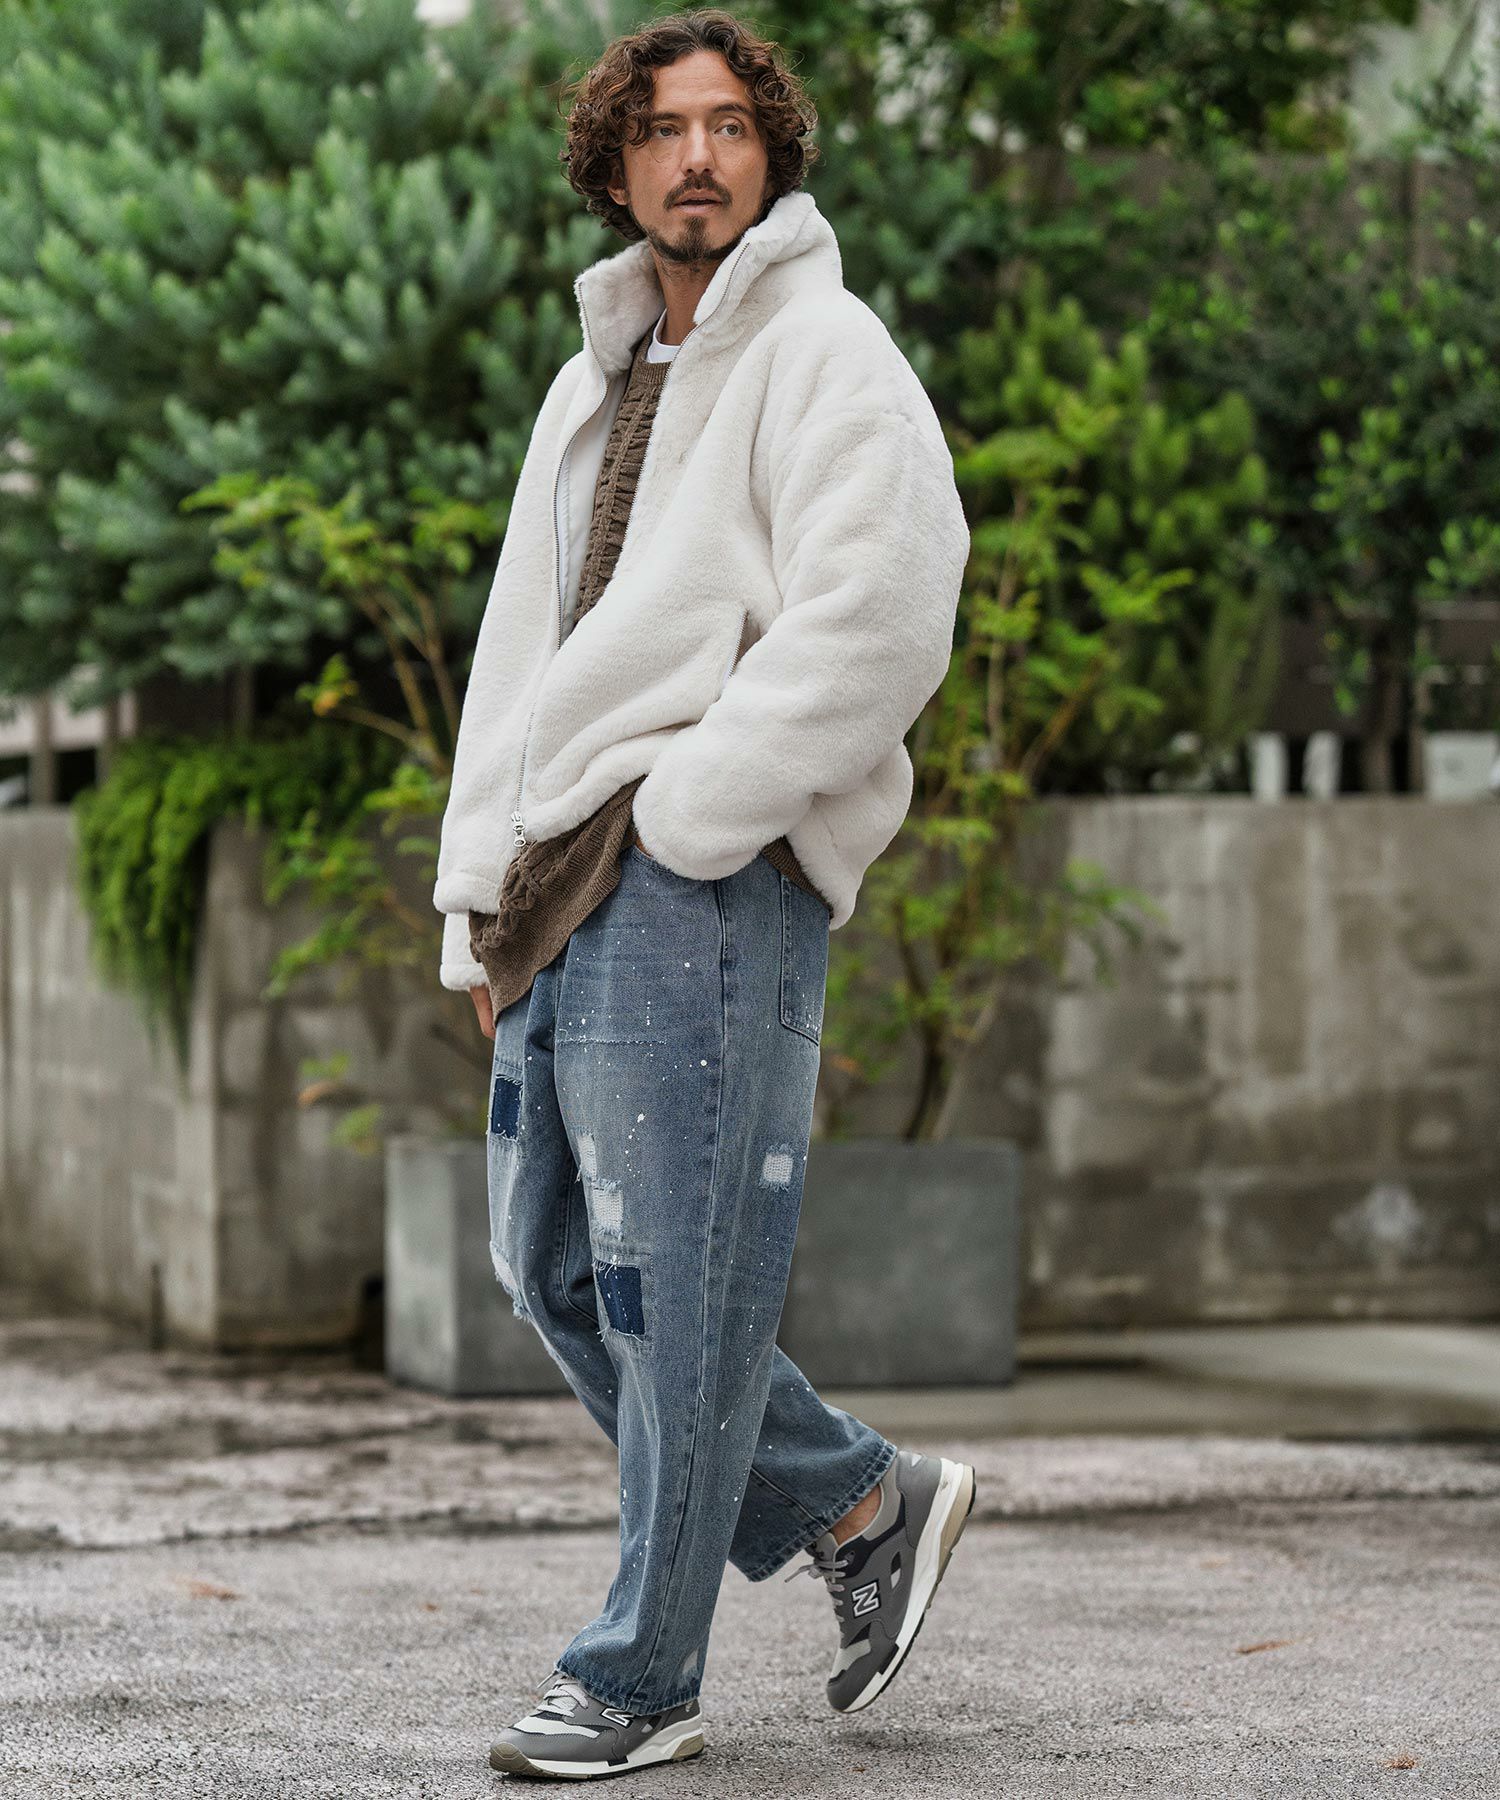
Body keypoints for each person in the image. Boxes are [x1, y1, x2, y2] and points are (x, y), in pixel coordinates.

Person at [433, 8, 974, 1781]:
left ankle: (640, 1675)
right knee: (548, 1267)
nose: (697, 156)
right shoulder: (590, 381)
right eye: (663, 129)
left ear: (771, 154)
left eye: (730, 126)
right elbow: (519, 659)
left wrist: (698, 814)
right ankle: (861, 1502)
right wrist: (481, 904)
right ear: (616, 164)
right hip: (563, 884)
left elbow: (886, 609)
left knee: (680, 1294)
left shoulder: (827, 350)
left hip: (703, 884)